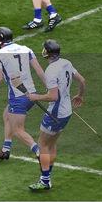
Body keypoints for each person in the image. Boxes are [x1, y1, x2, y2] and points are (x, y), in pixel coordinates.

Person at [26, 40, 86, 190]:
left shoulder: (51, 70)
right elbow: (82, 80)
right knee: (51, 144)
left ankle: (45, 180)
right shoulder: (66, 62)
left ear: (47, 52)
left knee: (43, 145)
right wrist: (80, 95)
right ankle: (47, 178)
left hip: (55, 113)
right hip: (66, 112)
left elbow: (53, 96)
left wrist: (36, 97)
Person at [0, 27, 46, 160]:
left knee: (18, 130)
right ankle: (6, 149)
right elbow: (39, 71)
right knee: (6, 115)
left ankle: (39, 152)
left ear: (0, 39)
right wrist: (49, 88)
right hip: (32, 93)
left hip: (18, 96)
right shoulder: (26, 49)